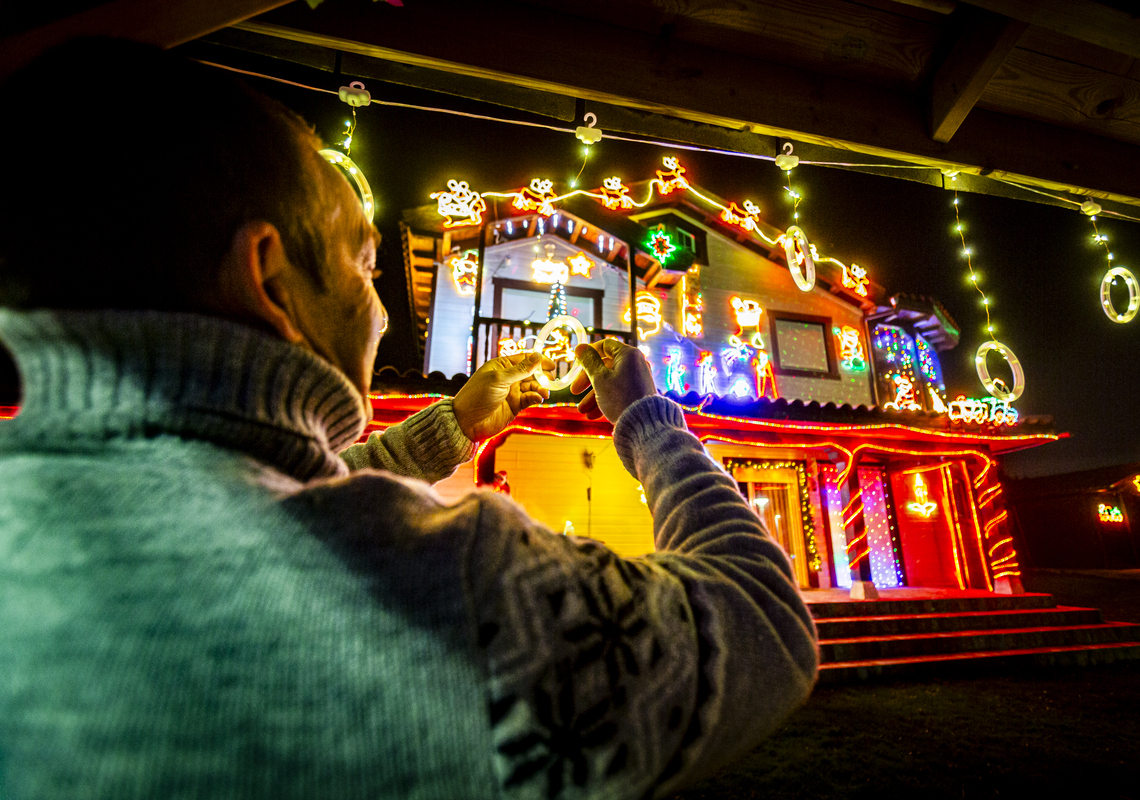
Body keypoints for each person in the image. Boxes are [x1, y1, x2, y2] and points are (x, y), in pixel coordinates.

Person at [0, 39, 818, 799]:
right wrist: (648, 421)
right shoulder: (445, 578)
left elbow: (251, 493)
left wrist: (451, 426)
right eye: (362, 265)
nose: (385, 315)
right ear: (269, 277)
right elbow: (760, 621)